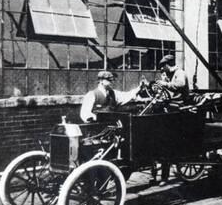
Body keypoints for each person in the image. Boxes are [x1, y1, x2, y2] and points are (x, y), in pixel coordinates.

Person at [150, 54, 191, 186]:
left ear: (167, 65)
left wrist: (165, 83)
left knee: (166, 141)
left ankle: (165, 177)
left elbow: (180, 85)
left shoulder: (180, 73)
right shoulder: (168, 75)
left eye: (163, 68)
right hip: (170, 106)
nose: (162, 71)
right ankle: (155, 173)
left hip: (180, 108)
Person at [79, 71, 148, 123]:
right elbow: (85, 113)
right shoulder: (92, 95)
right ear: (101, 81)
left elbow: (127, 95)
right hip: (97, 125)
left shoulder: (113, 93)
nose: (112, 82)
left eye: (112, 80)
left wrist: (139, 88)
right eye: (109, 80)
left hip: (112, 124)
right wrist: (93, 118)